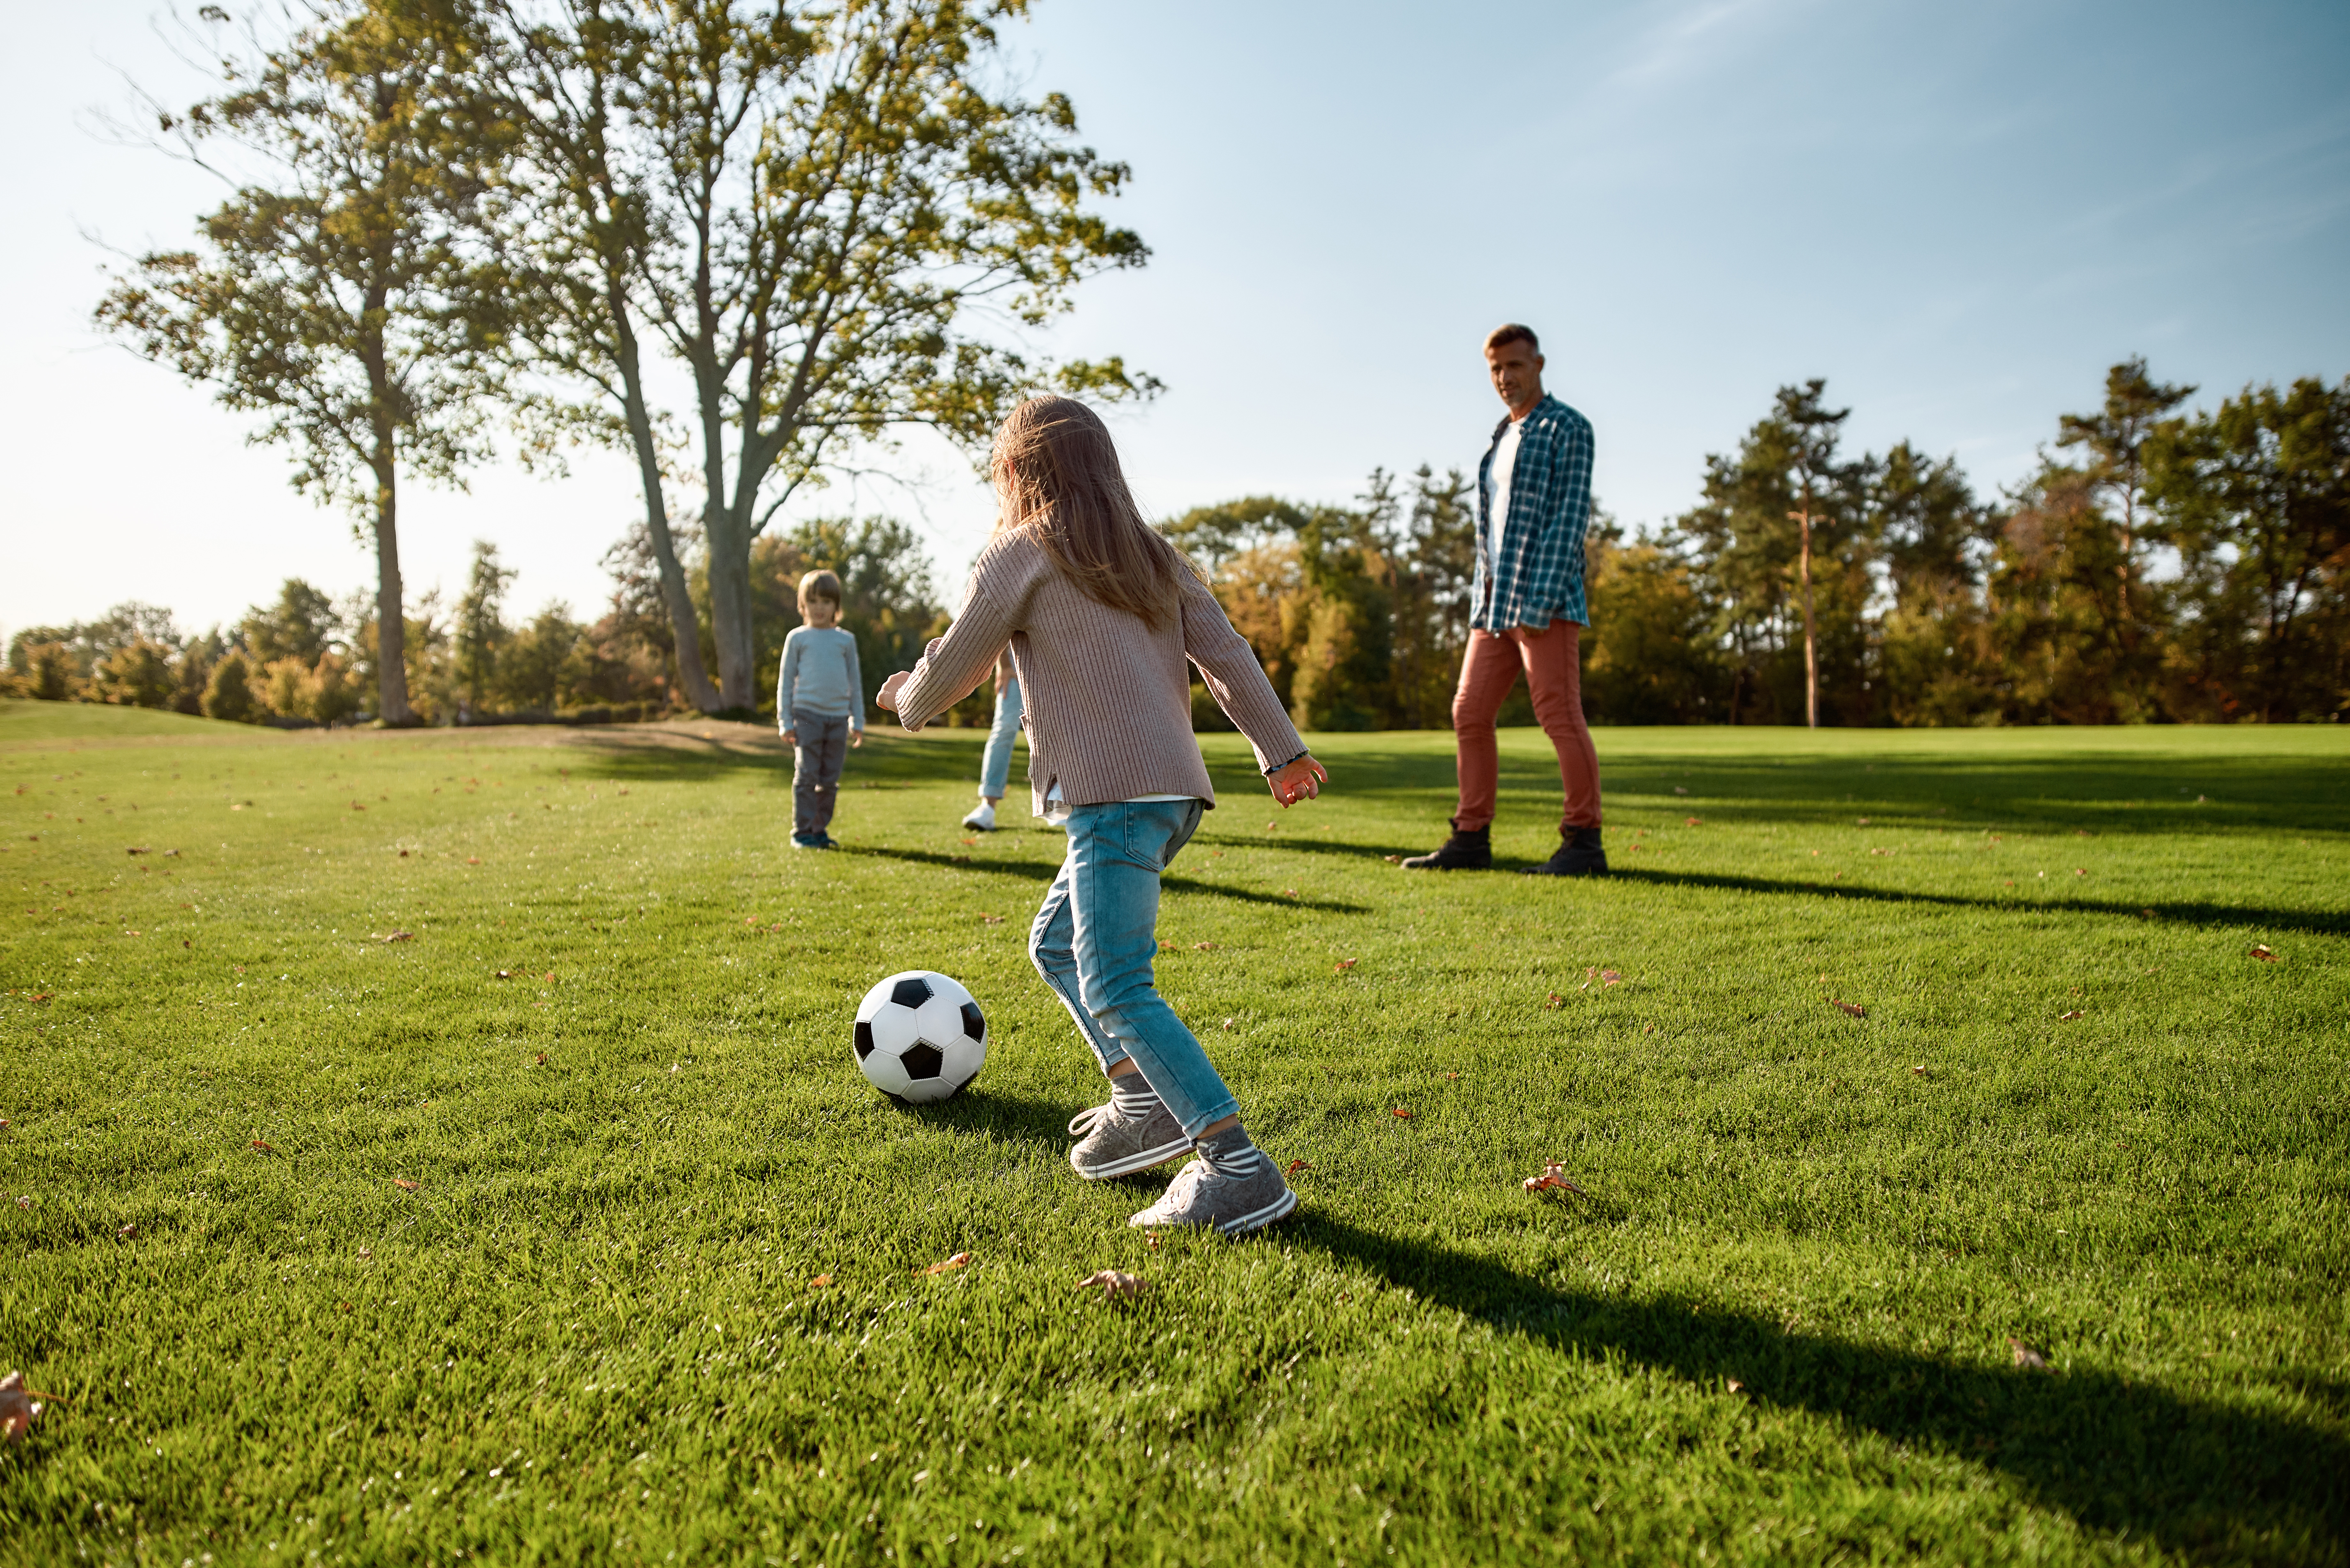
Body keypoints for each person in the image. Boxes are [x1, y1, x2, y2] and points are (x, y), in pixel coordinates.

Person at [878, 395, 1326, 1238]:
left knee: (1117, 982)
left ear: (1015, 473)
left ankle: (1235, 1165)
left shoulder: (1019, 552)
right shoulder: (1148, 552)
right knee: (1057, 947)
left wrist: (905, 691)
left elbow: (947, 679)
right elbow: (1226, 650)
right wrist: (1283, 750)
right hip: (1169, 796)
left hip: (1111, 799)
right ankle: (1141, 1102)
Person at [1404, 323, 1607, 875]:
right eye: (1495, 369)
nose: (1505, 378)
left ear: (1538, 364)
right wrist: (1483, 604)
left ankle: (1584, 842)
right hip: (1492, 606)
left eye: (1514, 366)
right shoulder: (1500, 437)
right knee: (1469, 713)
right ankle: (1471, 838)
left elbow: (1569, 520)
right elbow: (1489, 535)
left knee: (1559, 715)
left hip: (1543, 601)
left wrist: (1538, 601)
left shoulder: (1568, 427)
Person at [777, 570, 863, 850]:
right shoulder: (797, 639)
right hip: (806, 717)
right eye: (813, 601)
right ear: (803, 606)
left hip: (838, 720)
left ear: (836, 607)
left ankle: (819, 830)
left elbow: (855, 684)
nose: (819, 608)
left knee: (829, 780)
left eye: (826, 602)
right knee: (806, 776)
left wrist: (857, 719)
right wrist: (785, 721)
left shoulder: (846, 641)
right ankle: (801, 833)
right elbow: (786, 682)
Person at [961, 648, 1024, 832]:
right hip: (1015, 660)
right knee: (1005, 727)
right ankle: (988, 807)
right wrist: (1004, 665)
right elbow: (1002, 622)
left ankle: (1062, 804)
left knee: (1059, 728)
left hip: (1056, 655)